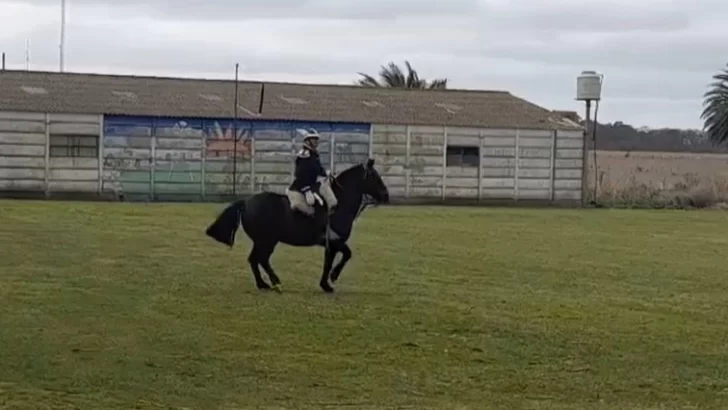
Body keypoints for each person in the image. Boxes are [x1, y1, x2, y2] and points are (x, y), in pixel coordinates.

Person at [285, 128, 338, 216]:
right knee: (311, 203)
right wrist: (306, 188)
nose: (316, 142)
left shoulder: (314, 154)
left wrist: (326, 173)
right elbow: (300, 173)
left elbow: (318, 169)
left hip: (312, 184)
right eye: (314, 140)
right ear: (307, 141)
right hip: (303, 186)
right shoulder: (304, 154)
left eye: (317, 140)